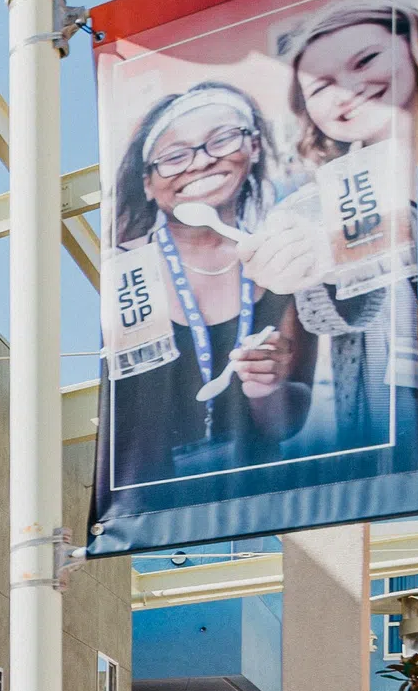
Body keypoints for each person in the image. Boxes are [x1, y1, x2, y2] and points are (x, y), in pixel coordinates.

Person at [239, 0, 418, 459]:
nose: (349, 89)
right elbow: (332, 316)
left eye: (365, 59)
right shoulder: (312, 202)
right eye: (321, 87)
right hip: (382, 417)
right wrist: (302, 261)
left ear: (411, 45)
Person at [101, 81, 307, 500]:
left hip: (258, 504)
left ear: (253, 147)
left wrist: (267, 387)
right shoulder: (126, 272)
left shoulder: (285, 268)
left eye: (221, 139)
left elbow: (287, 423)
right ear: (146, 182)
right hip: (142, 519)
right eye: (173, 156)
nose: (199, 163)